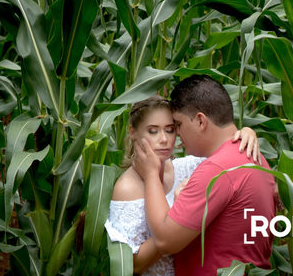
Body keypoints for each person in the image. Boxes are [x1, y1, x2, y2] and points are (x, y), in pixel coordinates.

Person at [132, 75, 277, 276]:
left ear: (200, 121)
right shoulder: (256, 157)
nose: (178, 136)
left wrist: (150, 175)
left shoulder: (217, 170)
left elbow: (165, 241)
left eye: (179, 125)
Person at [104, 95, 260, 275]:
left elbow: (226, 157)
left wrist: (245, 133)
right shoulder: (126, 189)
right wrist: (176, 217)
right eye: (153, 131)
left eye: (170, 130)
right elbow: (133, 264)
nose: (163, 139)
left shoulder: (189, 167)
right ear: (133, 131)